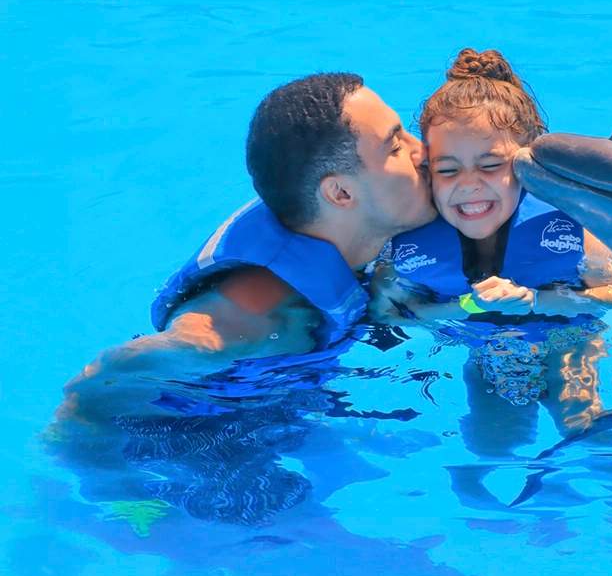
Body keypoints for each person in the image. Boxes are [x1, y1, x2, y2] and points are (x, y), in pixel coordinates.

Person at [60, 73, 433, 429]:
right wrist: (108, 476)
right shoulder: (256, 317)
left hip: (271, 417)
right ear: (340, 194)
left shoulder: (359, 241)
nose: (424, 151)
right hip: (181, 449)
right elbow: (106, 378)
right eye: (397, 145)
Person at [370, 48, 612, 445]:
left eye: (492, 165)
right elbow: (387, 316)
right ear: (427, 169)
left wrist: (536, 301)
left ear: (526, 163)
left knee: (582, 428)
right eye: (447, 170)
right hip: (483, 350)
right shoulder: (406, 250)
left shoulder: (569, 230)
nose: (469, 184)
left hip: (570, 340)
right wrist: (469, 306)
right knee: (490, 446)